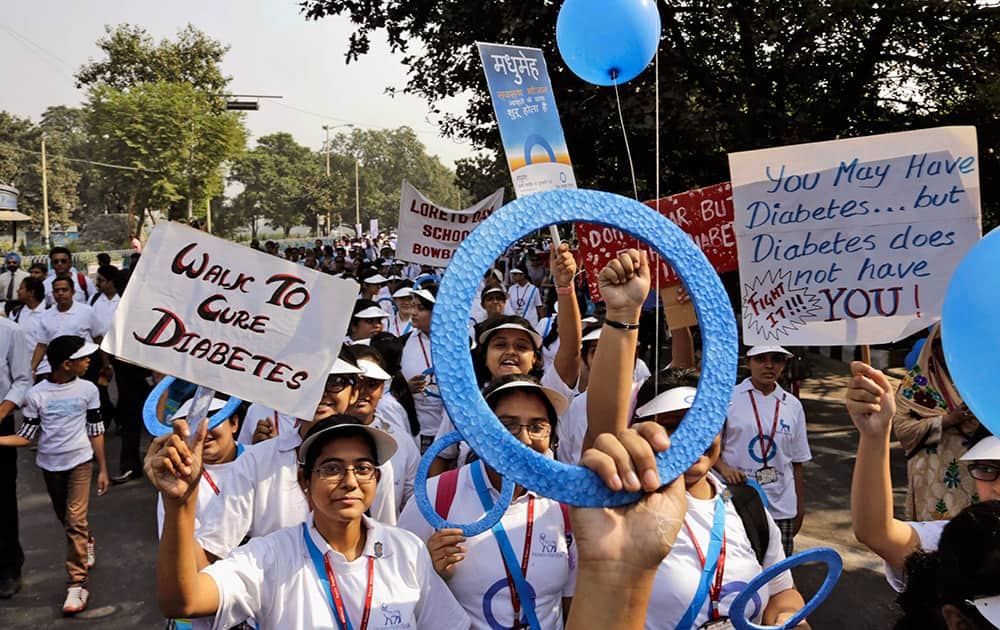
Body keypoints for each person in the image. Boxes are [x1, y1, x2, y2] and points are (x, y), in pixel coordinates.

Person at [585, 249, 809, 628]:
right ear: (641, 430)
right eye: (671, 424)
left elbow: (782, 588)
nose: (690, 438)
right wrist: (623, 315)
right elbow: (604, 428)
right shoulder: (619, 504)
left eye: (701, 422)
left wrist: (789, 617)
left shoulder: (746, 502)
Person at [150, 417, 471, 629]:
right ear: (305, 481)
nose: (349, 481)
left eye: (362, 468)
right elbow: (182, 600)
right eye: (331, 468)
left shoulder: (406, 550)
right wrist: (179, 504)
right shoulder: (270, 558)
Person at [399, 375, 576, 629]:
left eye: (537, 427)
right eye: (507, 425)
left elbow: (572, 602)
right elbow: (395, 593)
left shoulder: (564, 504)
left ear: (552, 438)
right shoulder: (436, 496)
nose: (524, 440)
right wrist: (429, 572)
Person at [191, 353, 399, 564]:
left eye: (336, 381)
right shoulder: (256, 461)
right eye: (309, 380)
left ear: (354, 393)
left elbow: (383, 545)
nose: (321, 392)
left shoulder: (374, 466)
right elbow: (213, 549)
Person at [846, 361, 1000, 594]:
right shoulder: (960, 540)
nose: (997, 488)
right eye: (987, 470)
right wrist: (875, 434)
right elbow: (877, 533)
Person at [0, 335, 108, 614]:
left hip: (81, 464)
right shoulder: (37, 395)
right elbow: (27, 435)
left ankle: (77, 583)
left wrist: (103, 468)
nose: (88, 361)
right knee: (67, 519)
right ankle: (87, 540)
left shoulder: (88, 389)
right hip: (50, 466)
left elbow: (96, 430)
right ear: (66, 364)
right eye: (83, 358)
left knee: (74, 520)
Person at [715, 346, 812, 555]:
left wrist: (799, 508)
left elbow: (797, 462)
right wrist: (724, 469)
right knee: (735, 571)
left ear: (784, 364)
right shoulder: (727, 399)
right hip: (734, 500)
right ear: (747, 362)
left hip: (781, 506)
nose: (769, 365)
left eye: (776, 359)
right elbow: (707, 450)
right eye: (760, 359)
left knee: (777, 576)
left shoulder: (792, 405)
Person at [892, 324, 981, 520]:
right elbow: (904, 432)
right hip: (932, 476)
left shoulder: (979, 379)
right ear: (934, 345)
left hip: (976, 476)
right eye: (946, 344)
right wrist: (949, 420)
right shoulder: (916, 385)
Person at [346, 345, 420, 515]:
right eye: (356, 383)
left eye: (372, 384)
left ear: (382, 389)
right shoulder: (318, 436)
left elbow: (413, 502)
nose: (363, 392)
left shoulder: (401, 442)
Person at [0, 316, 31, 599]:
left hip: (0, 421)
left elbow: (22, 380)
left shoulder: (11, 332)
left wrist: (1, 412)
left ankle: (9, 566)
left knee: (2, 498)